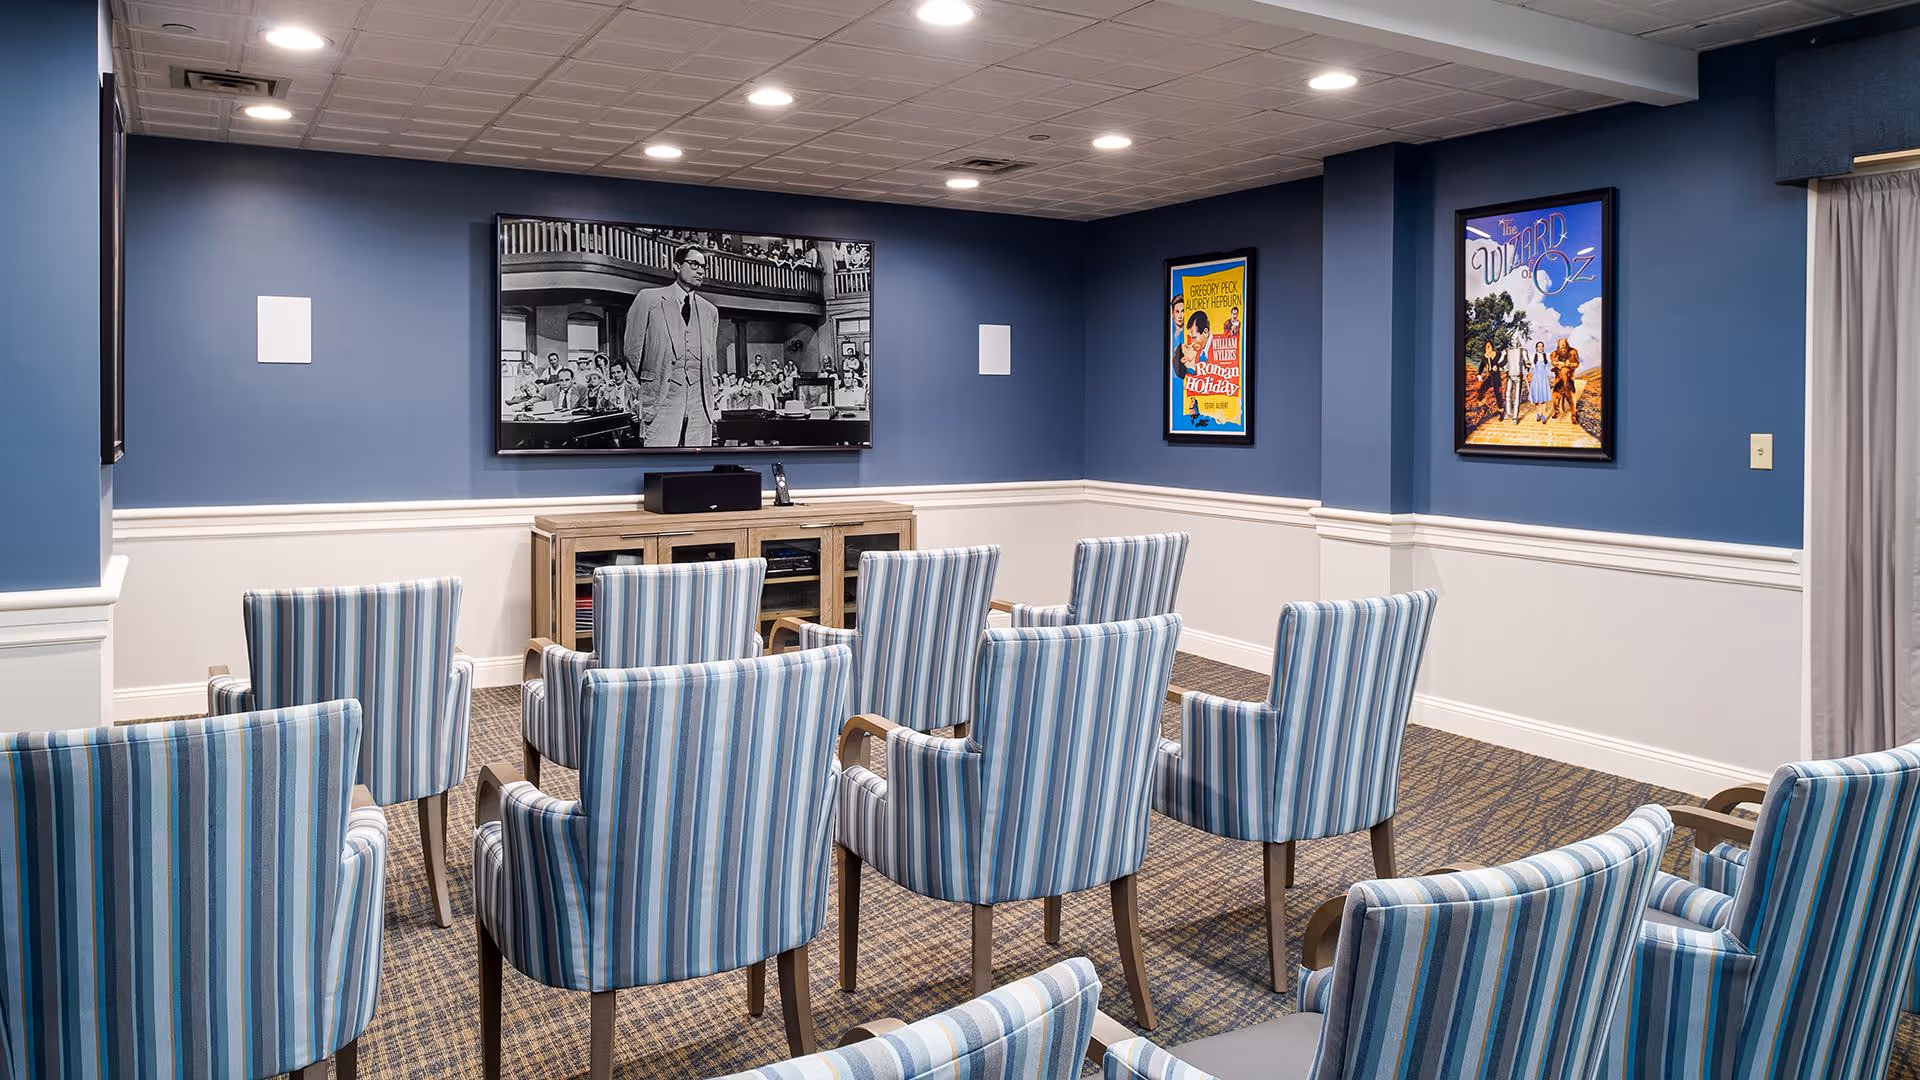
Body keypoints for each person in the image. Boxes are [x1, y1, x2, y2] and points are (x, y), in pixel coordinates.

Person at [624, 244, 721, 447]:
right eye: (694, 264)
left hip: (700, 402)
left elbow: (710, 357)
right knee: (660, 464)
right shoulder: (648, 299)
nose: (701, 270)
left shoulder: (710, 311)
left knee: (698, 467)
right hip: (661, 398)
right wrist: (652, 382)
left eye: (704, 266)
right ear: (677, 266)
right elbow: (633, 352)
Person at [1529, 344, 1552, 424]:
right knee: (1536, 398)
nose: (1540, 348)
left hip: (1543, 379)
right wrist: (1529, 367)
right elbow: (1531, 368)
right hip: (1535, 378)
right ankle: (1538, 413)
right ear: (1536, 348)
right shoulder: (1533, 356)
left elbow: (1548, 368)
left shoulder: (1546, 356)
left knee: (1543, 398)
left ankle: (1543, 415)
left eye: (1542, 346)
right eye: (1539, 346)